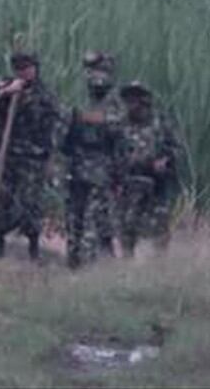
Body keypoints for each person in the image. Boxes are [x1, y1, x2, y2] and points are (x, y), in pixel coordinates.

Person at [0, 52, 63, 260]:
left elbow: (55, 125)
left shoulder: (45, 94)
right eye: (20, 69)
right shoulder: (4, 85)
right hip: (7, 153)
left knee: (31, 201)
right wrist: (7, 92)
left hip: (33, 158)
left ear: (35, 68)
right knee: (0, 196)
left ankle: (33, 246)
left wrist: (52, 157)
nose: (25, 72)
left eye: (28, 68)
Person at [61, 51, 123, 269]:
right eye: (91, 72)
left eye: (100, 71)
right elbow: (64, 135)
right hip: (77, 166)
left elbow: (118, 130)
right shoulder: (80, 98)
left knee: (96, 214)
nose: (96, 77)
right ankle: (73, 259)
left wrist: (91, 119)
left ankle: (93, 261)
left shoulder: (116, 100)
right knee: (74, 214)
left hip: (101, 167)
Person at [115, 81, 180, 257]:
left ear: (144, 100)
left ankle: (160, 266)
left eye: (134, 98)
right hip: (129, 183)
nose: (130, 103)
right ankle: (126, 264)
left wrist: (164, 161)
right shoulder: (120, 125)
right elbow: (112, 152)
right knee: (127, 226)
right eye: (127, 99)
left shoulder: (160, 123)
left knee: (159, 227)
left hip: (156, 184)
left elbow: (176, 149)